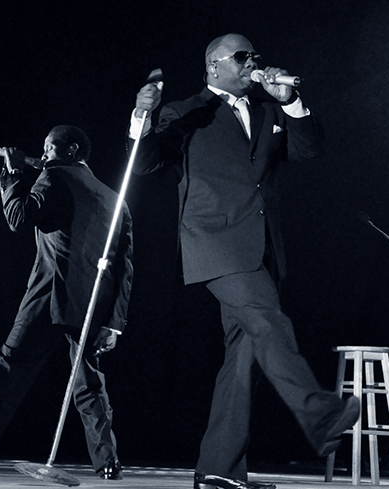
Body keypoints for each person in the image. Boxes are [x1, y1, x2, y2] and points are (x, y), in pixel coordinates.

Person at [128, 34, 360, 489]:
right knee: (269, 322)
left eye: (255, 55)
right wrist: (143, 115)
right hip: (214, 241)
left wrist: (290, 100)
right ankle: (322, 415)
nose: (253, 62)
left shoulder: (267, 109)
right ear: (214, 66)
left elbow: (309, 149)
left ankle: (218, 467)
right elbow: (147, 161)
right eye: (242, 56)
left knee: (245, 355)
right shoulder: (187, 111)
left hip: (263, 245)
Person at [0, 126, 133, 480]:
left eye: (49, 148)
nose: (44, 155)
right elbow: (125, 265)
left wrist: (14, 174)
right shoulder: (115, 198)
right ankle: (107, 461)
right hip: (93, 303)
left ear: (71, 149)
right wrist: (115, 322)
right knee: (89, 384)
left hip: (49, 297)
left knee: (7, 371)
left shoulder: (53, 177)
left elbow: (19, 218)